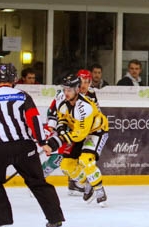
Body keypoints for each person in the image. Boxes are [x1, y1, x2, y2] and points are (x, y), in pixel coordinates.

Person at [0, 63, 65, 227]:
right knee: (38, 182)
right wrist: (43, 143)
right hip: (25, 147)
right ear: (14, 78)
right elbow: (33, 120)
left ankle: (3, 222)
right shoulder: (22, 95)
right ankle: (55, 220)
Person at [46, 74, 110, 205]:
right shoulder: (61, 99)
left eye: (69, 90)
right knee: (66, 165)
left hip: (96, 131)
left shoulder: (84, 107)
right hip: (78, 131)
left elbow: (80, 134)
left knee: (85, 160)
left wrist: (59, 140)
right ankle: (88, 182)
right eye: (64, 89)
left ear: (77, 89)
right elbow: (61, 116)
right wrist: (61, 127)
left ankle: (99, 190)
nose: (66, 92)